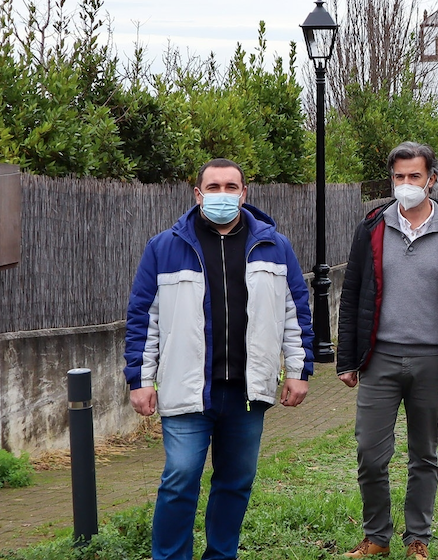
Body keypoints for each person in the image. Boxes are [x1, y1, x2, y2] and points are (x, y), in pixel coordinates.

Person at [124, 158, 314, 560]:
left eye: (231, 187)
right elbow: (144, 318)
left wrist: (298, 370)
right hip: (188, 392)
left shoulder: (275, 247)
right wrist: (140, 380)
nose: (223, 195)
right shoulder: (164, 247)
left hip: (247, 393)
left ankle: (221, 555)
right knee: (180, 479)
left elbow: (295, 312)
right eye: (214, 187)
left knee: (235, 482)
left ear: (244, 193)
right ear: (198, 194)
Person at [336, 142, 438, 560]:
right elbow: (352, 298)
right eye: (398, 177)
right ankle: (377, 536)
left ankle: (417, 537)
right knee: (370, 452)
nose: (405, 184)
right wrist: (346, 359)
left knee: (425, 453)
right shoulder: (371, 229)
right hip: (379, 359)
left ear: (431, 179)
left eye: (414, 176)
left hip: (432, 360)